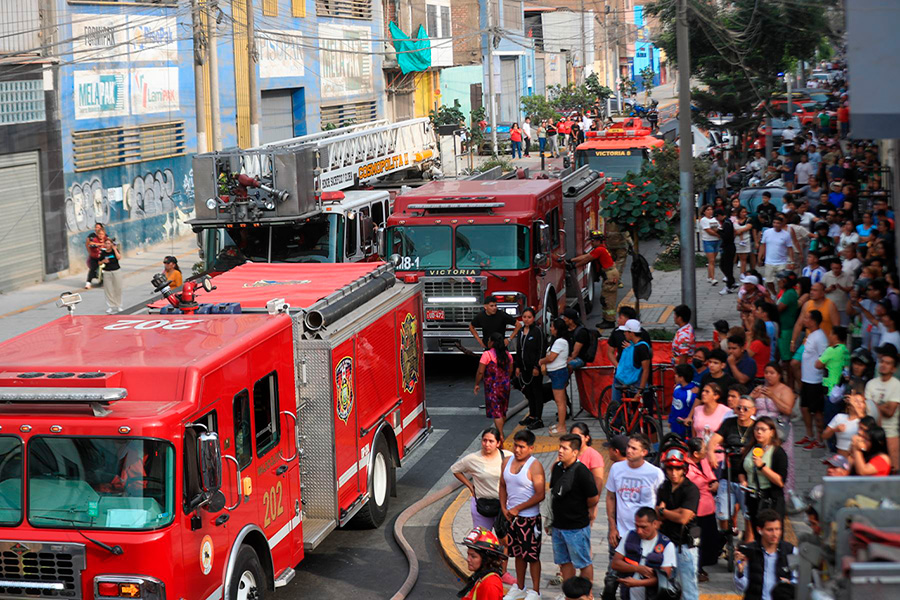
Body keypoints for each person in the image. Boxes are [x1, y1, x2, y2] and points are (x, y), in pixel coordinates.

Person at [499, 430, 545, 600]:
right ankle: (520, 587)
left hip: (530, 519)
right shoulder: (506, 462)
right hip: (512, 518)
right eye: (515, 445)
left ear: (531, 448)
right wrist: (504, 507)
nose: (517, 450)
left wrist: (518, 508)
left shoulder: (535, 466)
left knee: (532, 556)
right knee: (518, 554)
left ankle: (536, 591)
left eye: (522, 447)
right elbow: (502, 485)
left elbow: (540, 494)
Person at [550, 434, 600, 584]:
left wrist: (579, 509)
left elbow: (593, 498)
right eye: (560, 447)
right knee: (564, 562)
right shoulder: (557, 468)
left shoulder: (582, 472)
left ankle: (586, 593)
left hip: (576, 528)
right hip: (558, 526)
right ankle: (569, 592)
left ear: (575, 452)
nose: (560, 451)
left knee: (583, 563)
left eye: (564, 448)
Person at [606, 434, 666, 558]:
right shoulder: (616, 468)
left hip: (645, 534)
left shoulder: (655, 473)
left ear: (644, 452)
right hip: (620, 533)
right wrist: (612, 526)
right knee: (615, 567)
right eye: (628, 446)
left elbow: (662, 502)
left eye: (634, 448)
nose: (629, 451)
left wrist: (656, 528)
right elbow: (610, 497)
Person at [708, 395, 756, 538]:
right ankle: (725, 541)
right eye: (738, 408)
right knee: (722, 514)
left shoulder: (756, 427)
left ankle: (749, 545)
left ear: (753, 410)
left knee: (749, 516)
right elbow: (713, 440)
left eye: (745, 409)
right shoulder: (729, 423)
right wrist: (710, 453)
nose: (741, 411)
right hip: (728, 475)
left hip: (748, 478)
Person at [656, 448, 701, 600]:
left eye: (677, 468)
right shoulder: (664, 487)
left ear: (684, 469)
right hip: (666, 544)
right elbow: (657, 515)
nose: (674, 473)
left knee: (689, 590)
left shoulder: (691, 489)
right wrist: (674, 512)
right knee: (666, 588)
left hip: (685, 546)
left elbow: (683, 518)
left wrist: (664, 511)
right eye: (670, 469)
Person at [609, 507, 677, 600]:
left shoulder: (667, 545)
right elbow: (615, 563)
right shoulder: (629, 536)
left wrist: (637, 583)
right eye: (637, 526)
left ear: (655, 524)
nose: (639, 531)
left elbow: (664, 577)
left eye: (644, 527)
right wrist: (638, 568)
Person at [750, 364, 797, 495]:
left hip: (779, 430)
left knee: (780, 461)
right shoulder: (760, 389)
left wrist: (773, 397)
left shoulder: (785, 390)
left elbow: (788, 410)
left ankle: (785, 495)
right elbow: (746, 406)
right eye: (766, 373)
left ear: (779, 375)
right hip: (760, 430)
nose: (768, 376)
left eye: (772, 373)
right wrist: (752, 397)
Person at [733, 509, 797, 600]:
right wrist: (740, 571)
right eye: (770, 530)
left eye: (777, 529)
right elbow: (742, 588)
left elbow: (798, 580)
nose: (775, 534)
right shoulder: (749, 551)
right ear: (759, 530)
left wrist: (789, 585)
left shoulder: (791, 551)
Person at [452, 428, 506, 531]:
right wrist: (470, 486)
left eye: (491, 441)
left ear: (498, 443)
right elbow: (455, 470)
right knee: (482, 537)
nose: (487, 444)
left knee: (504, 538)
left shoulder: (507, 456)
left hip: (503, 506)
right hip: (482, 506)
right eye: (484, 440)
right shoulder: (472, 459)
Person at [738, 417, 788, 522]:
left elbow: (780, 481)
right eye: (756, 429)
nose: (759, 432)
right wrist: (743, 481)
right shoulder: (750, 448)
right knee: (755, 529)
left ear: (772, 432)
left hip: (770, 500)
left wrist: (762, 466)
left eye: (763, 429)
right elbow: (741, 470)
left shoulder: (778, 452)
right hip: (752, 497)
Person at [685, 437, 722, 580]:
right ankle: (696, 569)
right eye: (704, 449)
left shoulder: (703, 460)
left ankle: (702, 566)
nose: (707, 451)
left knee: (710, 540)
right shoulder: (686, 468)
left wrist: (714, 482)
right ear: (695, 454)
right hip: (696, 511)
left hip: (708, 508)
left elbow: (710, 475)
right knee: (696, 541)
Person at [569, 230, 620, 326]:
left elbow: (587, 259)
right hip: (610, 274)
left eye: (592, 241)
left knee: (608, 299)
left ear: (598, 241)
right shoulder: (600, 248)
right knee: (605, 298)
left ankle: (610, 321)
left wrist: (574, 266)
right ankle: (607, 319)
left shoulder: (600, 250)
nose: (591, 243)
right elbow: (586, 256)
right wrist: (571, 260)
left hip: (610, 275)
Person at [795, 310, 829, 450]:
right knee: (804, 408)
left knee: (817, 411)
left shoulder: (820, 337)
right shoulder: (812, 335)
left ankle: (820, 440)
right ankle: (809, 435)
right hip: (807, 379)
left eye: (806, 318)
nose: (804, 320)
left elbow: (824, 358)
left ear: (813, 321)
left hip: (815, 380)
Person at [864, 343, 900, 471]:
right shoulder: (870, 384)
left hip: (890, 432)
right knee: (870, 469)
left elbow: (890, 412)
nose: (883, 365)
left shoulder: (897, 385)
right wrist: (883, 405)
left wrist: (874, 404)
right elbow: (867, 410)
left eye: (888, 363)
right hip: (872, 432)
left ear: (893, 369)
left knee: (894, 469)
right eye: (882, 362)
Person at [815, 326, 851, 450]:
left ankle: (833, 448)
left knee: (830, 420)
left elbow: (818, 364)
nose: (829, 336)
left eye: (831, 334)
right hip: (842, 389)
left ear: (835, 336)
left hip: (831, 390)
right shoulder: (846, 350)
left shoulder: (831, 350)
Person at [475, 333, 515, 441]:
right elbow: (510, 370)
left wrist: (477, 384)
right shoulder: (508, 355)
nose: (487, 342)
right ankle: (500, 431)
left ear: (492, 342)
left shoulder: (487, 355)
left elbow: (480, 371)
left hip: (492, 387)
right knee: (503, 409)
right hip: (505, 386)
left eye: (489, 340)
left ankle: (500, 435)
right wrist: (505, 379)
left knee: (497, 412)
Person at [514, 308, 546, 430]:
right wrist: (518, 366)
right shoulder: (521, 331)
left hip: (534, 368)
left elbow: (541, 350)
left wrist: (537, 366)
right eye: (524, 317)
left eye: (529, 317)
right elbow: (519, 349)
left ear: (533, 318)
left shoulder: (538, 331)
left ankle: (538, 418)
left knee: (537, 392)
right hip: (524, 368)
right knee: (529, 393)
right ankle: (532, 415)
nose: (526, 320)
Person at [611, 319, 652, 410]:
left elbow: (646, 370)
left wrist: (640, 390)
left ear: (631, 333)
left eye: (626, 331)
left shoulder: (642, 348)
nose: (624, 333)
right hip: (631, 385)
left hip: (637, 387)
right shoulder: (633, 345)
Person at [539, 318, 570, 435]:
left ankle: (562, 427)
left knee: (560, 401)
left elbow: (551, 357)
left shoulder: (560, 342)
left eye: (552, 326)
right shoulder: (557, 341)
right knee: (560, 401)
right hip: (556, 374)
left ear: (557, 329)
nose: (551, 328)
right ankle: (560, 424)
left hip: (558, 373)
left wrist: (541, 361)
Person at [459, 527, 506, 600]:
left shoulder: (490, 584)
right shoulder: (481, 577)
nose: (468, 559)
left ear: (486, 559)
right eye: (468, 554)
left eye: (473, 556)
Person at [758, 214, 795, 296]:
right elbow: (763, 245)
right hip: (769, 261)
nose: (776, 225)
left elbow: (790, 248)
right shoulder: (767, 232)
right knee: (768, 281)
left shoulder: (786, 234)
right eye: (774, 223)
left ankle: (780, 295)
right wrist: (759, 257)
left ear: (782, 224)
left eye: (778, 223)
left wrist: (792, 261)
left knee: (781, 281)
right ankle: (774, 294)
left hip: (782, 262)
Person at [822, 393, 867, 457]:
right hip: (841, 457)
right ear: (849, 406)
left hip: (858, 458)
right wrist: (834, 429)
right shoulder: (839, 417)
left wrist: (854, 404)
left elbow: (865, 423)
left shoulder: (865, 420)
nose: (859, 404)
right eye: (856, 401)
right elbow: (824, 436)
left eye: (862, 402)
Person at [571, 422, 605, 492]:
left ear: (587, 438)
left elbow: (598, 483)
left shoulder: (594, 456)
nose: (575, 440)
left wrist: (594, 498)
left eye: (578, 437)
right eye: (572, 436)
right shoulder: (568, 452)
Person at [670, 364, 699, 439]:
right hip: (675, 426)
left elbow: (695, 412)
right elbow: (673, 407)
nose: (675, 376)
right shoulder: (677, 387)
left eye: (676, 374)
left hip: (685, 429)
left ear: (681, 378)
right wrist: (670, 420)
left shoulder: (692, 393)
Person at [100, 238, 123, 314]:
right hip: (107, 272)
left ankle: (119, 305)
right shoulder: (103, 253)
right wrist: (103, 261)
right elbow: (99, 262)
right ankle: (111, 306)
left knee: (118, 288)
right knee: (108, 289)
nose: (107, 245)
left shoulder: (114, 251)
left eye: (109, 243)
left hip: (116, 271)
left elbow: (119, 257)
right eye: (106, 243)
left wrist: (115, 249)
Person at [717, 208, 738, 293]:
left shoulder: (727, 223)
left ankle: (730, 284)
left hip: (728, 247)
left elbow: (727, 236)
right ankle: (731, 281)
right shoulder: (726, 222)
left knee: (726, 266)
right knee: (724, 265)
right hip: (728, 247)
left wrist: (718, 231)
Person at [700, 205, 720, 285]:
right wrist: (718, 235)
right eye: (708, 210)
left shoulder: (715, 219)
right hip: (708, 241)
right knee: (711, 260)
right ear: (704, 212)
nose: (710, 211)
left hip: (716, 241)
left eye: (711, 209)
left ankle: (709, 276)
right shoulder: (703, 220)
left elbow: (719, 228)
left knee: (713, 260)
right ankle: (713, 278)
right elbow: (708, 231)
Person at [84, 223, 107, 289]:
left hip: (104, 258)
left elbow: (111, 244)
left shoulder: (106, 239)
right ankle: (88, 282)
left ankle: (105, 281)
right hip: (95, 257)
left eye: (102, 234)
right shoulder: (94, 238)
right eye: (99, 234)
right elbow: (90, 243)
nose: (101, 235)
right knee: (92, 269)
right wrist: (100, 244)